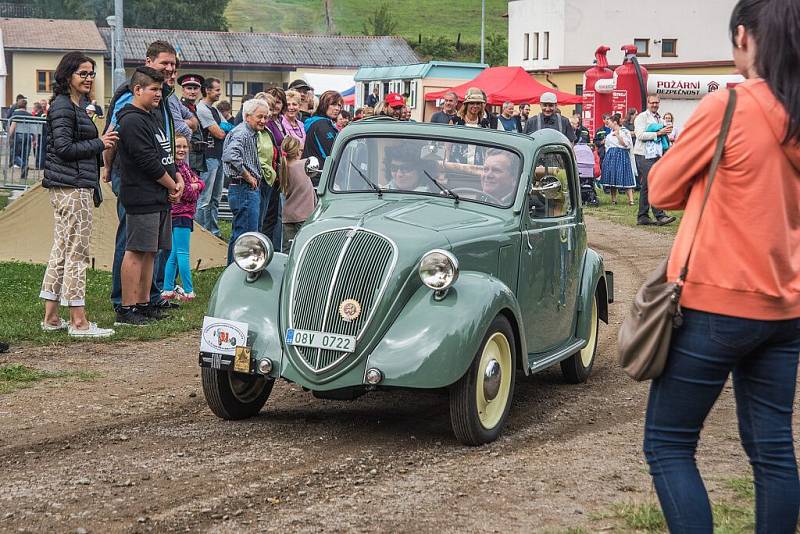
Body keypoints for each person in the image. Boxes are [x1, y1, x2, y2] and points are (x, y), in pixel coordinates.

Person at [643, 1, 800, 531]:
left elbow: (661, 190)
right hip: (786, 308)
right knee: (773, 453)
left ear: (743, 36)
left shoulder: (728, 106)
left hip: (715, 302)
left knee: (669, 444)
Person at [39, 51, 118, 338]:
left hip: (69, 187)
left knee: (61, 250)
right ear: (67, 75)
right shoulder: (63, 107)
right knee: (77, 254)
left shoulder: (73, 105)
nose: (88, 78)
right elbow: (63, 148)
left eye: (91, 73)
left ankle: (51, 318)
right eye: (82, 73)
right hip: (73, 189)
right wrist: (100, 143)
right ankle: (79, 321)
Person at [103, 40, 183, 314]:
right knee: (132, 242)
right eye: (164, 63)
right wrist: (107, 169)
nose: (170, 68)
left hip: (159, 180)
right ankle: (123, 301)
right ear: (148, 62)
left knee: (151, 247)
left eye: (173, 64)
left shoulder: (164, 96)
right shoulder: (132, 98)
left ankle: (148, 297)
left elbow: (164, 142)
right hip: (136, 180)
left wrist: (177, 175)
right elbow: (115, 137)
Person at [222, 98, 269, 264]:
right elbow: (230, 155)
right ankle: (239, 272)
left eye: (265, 117)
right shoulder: (242, 133)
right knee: (247, 237)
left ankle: (232, 271)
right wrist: (247, 175)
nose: (263, 121)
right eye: (260, 117)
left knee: (240, 234)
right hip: (244, 189)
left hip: (242, 189)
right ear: (247, 116)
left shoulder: (248, 132)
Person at [162, 133, 204, 302]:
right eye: (178, 146)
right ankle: (188, 290)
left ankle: (167, 289)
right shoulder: (173, 168)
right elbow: (185, 192)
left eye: (184, 146)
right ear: (171, 148)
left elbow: (200, 182)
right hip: (180, 214)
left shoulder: (184, 166)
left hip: (182, 214)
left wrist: (196, 185)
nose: (181, 149)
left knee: (173, 254)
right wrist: (194, 187)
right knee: (183, 253)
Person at [634, 95, 676, 226]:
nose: (655, 105)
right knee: (653, 183)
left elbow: (664, 134)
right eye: (652, 103)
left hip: (656, 154)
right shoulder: (642, 117)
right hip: (643, 154)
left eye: (656, 103)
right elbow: (639, 135)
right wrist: (658, 133)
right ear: (648, 103)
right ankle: (659, 215)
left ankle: (643, 216)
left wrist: (666, 132)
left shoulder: (660, 118)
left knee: (647, 185)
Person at [194, 77, 227, 237]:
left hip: (219, 156)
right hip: (209, 157)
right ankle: (199, 233)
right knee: (204, 199)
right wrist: (224, 128)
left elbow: (228, 127)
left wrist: (224, 128)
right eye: (217, 90)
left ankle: (213, 231)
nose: (220, 93)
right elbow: (220, 133)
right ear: (207, 90)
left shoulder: (214, 110)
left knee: (215, 198)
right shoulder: (202, 109)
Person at [254, 92, 283, 249]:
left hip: (271, 176)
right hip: (262, 177)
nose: (269, 113)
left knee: (268, 216)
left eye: (270, 109)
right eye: (265, 109)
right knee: (261, 218)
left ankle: (266, 248)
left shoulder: (270, 126)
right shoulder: (256, 129)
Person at [280, 135, 315, 253]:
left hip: (288, 216)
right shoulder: (304, 165)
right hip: (304, 215)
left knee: (288, 250)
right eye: (300, 150)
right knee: (305, 249)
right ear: (296, 152)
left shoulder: (283, 167)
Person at [599, 113, 637, 205]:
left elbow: (626, 145)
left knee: (626, 176)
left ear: (615, 122)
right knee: (613, 177)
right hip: (611, 156)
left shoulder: (624, 132)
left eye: (610, 122)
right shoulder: (609, 135)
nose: (608, 124)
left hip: (622, 155)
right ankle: (614, 199)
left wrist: (618, 135)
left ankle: (631, 200)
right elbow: (607, 146)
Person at [303, 90, 342, 176]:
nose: (337, 108)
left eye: (339, 105)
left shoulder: (319, 122)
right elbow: (332, 154)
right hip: (320, 176)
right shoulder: (322, 125)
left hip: (314, 173)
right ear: (324, 105)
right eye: (333, 104)